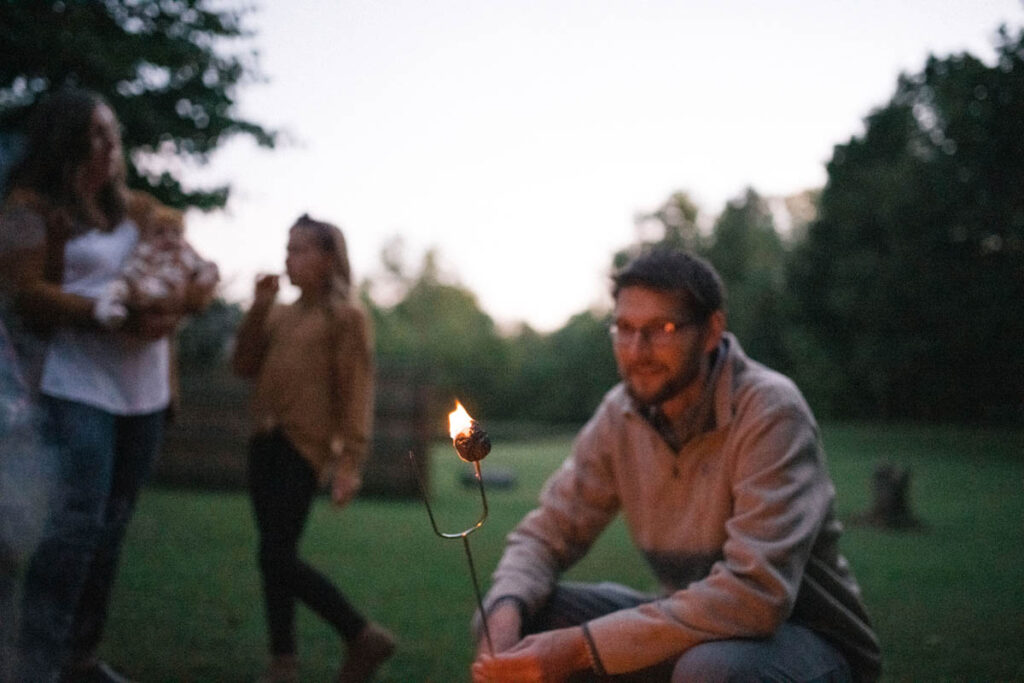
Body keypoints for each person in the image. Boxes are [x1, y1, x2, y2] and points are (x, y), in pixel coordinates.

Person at [471, 248, 881, 683]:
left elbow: (755, 596)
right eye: (624, 328)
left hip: (807, 640)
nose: (637, 350)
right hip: (696, 632)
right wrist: (505, 608)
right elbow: (547, 533)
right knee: (520, 622)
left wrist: (579, 649)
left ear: (711, 332)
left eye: (661, 329)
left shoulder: (770, 411)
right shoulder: (620, 414)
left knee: (709, 671)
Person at [0, 87, 217, 683]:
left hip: (143, 393)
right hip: (76, 386)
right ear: (65, 142)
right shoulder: (31, 207)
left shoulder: (139, 210)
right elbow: (23, 293)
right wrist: (99, 311)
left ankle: (80, 657)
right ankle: (36, 664)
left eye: (113, 132)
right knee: (77, 525)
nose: (110, 144)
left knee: (113, 527)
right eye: (96, 133)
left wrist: (172, 307)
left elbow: (196, 274)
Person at [232, 214, 395, 683]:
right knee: (272, 552)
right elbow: (243, 366)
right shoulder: (280, 313)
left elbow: (356, 393)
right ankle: (282, 662)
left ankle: (362, 634)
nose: (289, 257)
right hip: (263, 441)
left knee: (275, 556)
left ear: (328, 260)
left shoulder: (346, 318)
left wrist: (350, 463)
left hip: (302, 448)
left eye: (300, 249)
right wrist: (259, 307)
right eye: (287, 248)